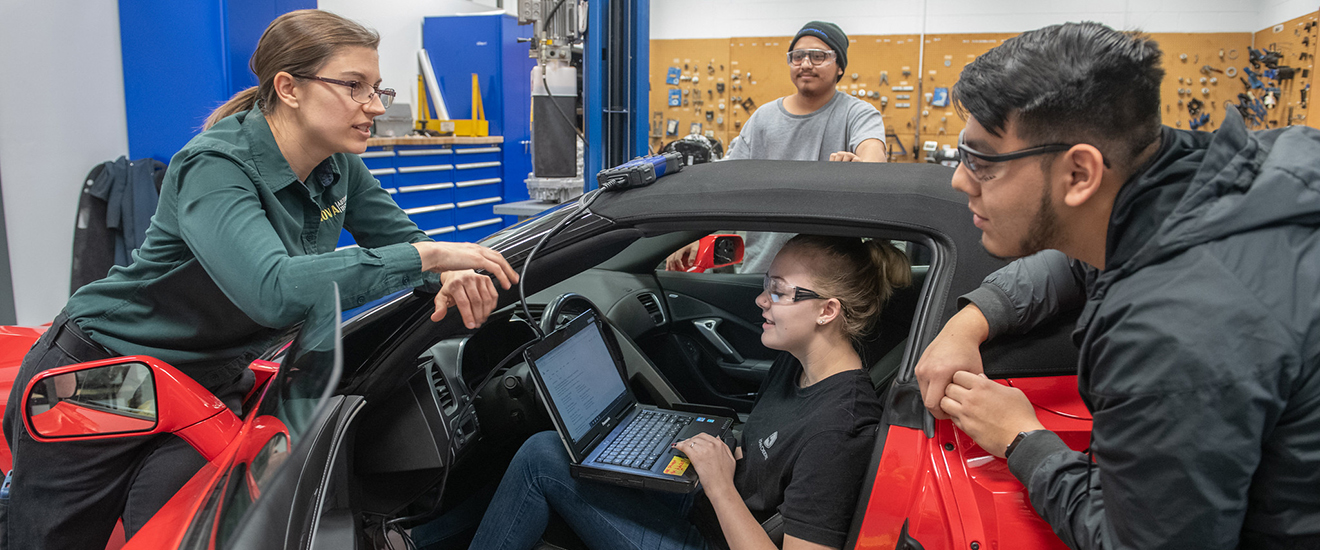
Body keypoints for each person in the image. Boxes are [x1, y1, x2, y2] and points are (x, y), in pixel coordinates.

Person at [1, 10, 518, 549]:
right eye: (354, 86)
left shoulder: (338, 165)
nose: (375, 106)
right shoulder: (215, 166)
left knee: (187, 532)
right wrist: (430, 257)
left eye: (377, 88)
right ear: (288, 88)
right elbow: (273, 290)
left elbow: (400, 242)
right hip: (104, 378)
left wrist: (450, 277)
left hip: (203, 383)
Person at [916, 22, 1320, 549]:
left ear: (1080, 174)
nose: (960, 180)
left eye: (984, 162)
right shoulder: (1222, 180)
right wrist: (973, 319)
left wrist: (1022, 440)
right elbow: (1080, 255)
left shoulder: (1172, 332)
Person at [464, 236, 909, 550]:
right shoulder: (796, 365)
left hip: (712, 535)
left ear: (827, 310)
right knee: (577, 458)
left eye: (778, 291)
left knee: (542, 458)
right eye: (764, 285)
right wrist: (724, 456)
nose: (761, 301)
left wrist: (719, 486)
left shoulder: (840, 431)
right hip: (708, 505)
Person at [667, 21, 887, 274]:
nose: (806, 64)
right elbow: (724, 183)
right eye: (798, 56)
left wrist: (864, 169)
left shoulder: (857, 114)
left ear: (839, 67)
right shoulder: (763, 118)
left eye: (818, 56)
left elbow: (873, 156)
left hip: (831, 277)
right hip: (761, 271)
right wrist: (691, 233)